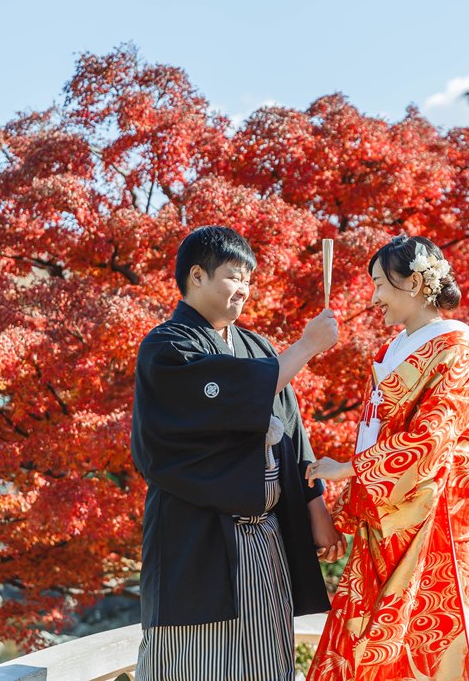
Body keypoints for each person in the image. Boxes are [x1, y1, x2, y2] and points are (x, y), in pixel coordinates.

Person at [131, 225, 347, 681]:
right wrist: (307, 346)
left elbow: (293, 435)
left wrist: (317, 509)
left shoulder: (258, 347)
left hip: (265, 535)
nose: (244, 288)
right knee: (194, 663)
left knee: (265, 658)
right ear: (197, 276)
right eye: (233, 276)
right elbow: (234, 394)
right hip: (196, 535)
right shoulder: (167, 347)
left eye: (248, 279)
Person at [304, 235, 469, 681]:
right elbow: (375, 432)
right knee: (363, 639)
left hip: (427, 521)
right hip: (385, 515)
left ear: (414, 283)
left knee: (418, 641)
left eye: (381, 284)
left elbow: (431, 438)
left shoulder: (453, 348)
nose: (374, 297)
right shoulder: (394, 349)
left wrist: (348, 469)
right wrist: (345, 511)